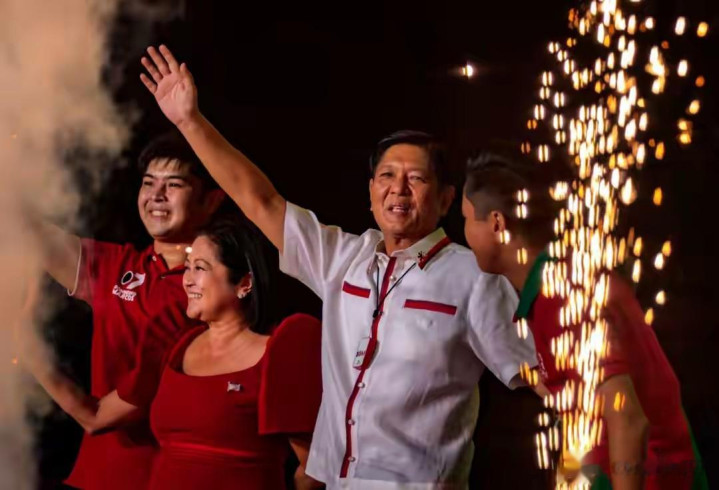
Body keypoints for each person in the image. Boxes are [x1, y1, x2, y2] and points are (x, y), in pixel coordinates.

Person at [138, 44, 537, 488]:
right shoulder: (343, 258)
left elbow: (538, 377)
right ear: (370, 192)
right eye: (386, 176)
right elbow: (260, 200)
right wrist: (190, 122)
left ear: (445, 199)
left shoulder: (474, 278)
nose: (398, 189)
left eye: (416, 178)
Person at [461, 146, 709, 490]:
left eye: (466, 219)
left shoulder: (564, 294)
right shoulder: (556, 284)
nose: (464, 234)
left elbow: (627, 419)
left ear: (496, 224)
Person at [24, 130, 225, 489]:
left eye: (173, 184)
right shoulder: (119, 264)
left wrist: (26, 349)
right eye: (148, 183)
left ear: (211, 201)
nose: (156, 195)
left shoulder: (210, 292)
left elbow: (96, 418)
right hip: (89, 477)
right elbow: (31, 232)